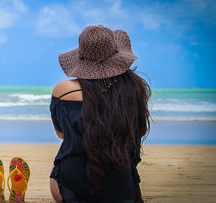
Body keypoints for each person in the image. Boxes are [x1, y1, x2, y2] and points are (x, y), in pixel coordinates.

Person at [49, 25, 151, 203]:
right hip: (123, 191)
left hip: (72, 189)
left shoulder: (63, 91)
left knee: (62, 161)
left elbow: (61, 134)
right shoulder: (134, 89)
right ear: (117, 56)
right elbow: (137, 133)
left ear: (81, 59)